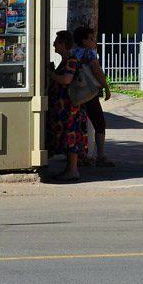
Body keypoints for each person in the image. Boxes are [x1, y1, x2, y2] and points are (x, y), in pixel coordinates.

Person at [46, 31, 87, 181]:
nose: (54, 44)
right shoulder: (66, 61)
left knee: (71, 137)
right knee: (67, 137)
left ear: (63, 44)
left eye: (56, 42)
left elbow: (66, 80)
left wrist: (50, 75)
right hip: (66, 108)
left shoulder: (70, 61)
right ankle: (69, 169)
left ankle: (72, 170)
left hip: (71, 109)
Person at [73, 25, 114, 167]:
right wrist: (106, 87)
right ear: (84, 40)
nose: (93, 41)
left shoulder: (73, 53)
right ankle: (101, 155)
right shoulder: (89, 54)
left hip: (75, 94)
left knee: (78, 125)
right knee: (99, 123)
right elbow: (97, 71)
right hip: (89, 93)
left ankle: (78, 156)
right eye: (91, 38)